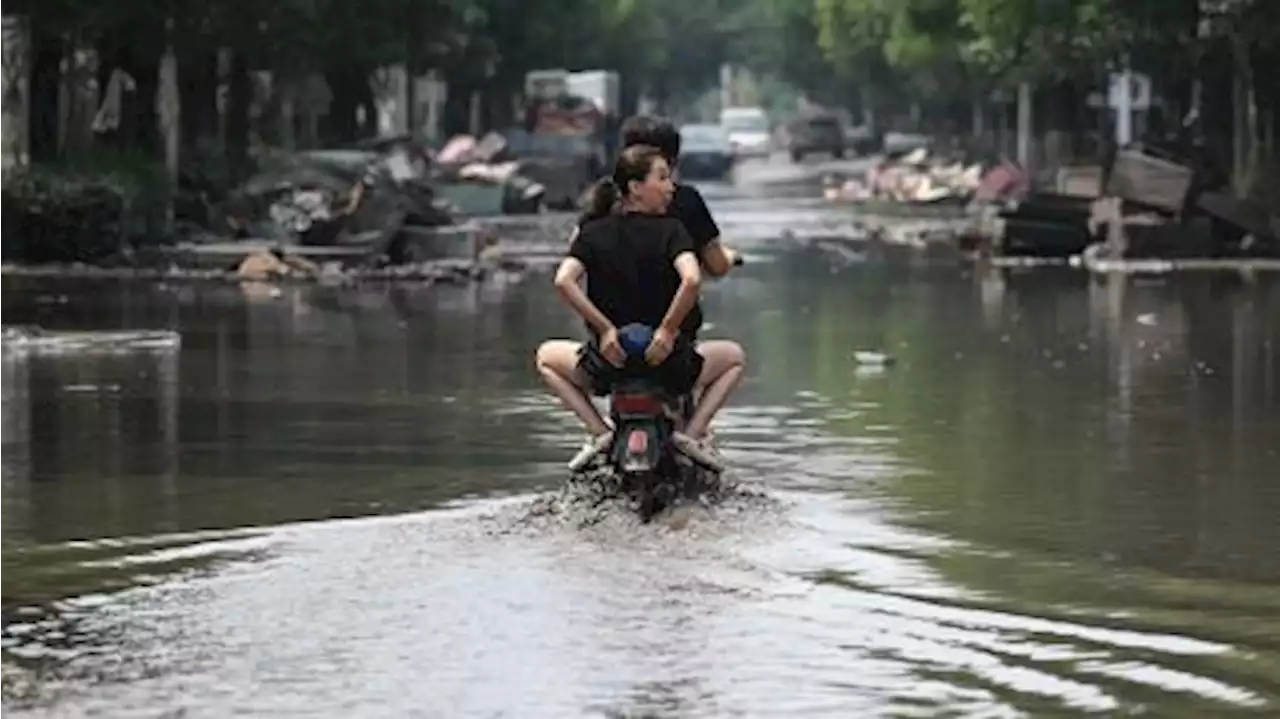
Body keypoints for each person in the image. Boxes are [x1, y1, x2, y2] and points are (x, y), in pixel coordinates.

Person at [536, 145, 746, 472]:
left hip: (609, 364)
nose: (670, 187)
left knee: (546, 357)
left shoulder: (592, 233)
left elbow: (564, 281)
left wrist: (605, 330)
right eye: (662, 178)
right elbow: (691, 280)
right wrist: (667, 330)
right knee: (733, 357)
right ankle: (691, 437)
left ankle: (599, 433)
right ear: (635, 188)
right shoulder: (673, 231)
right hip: (669, 364)